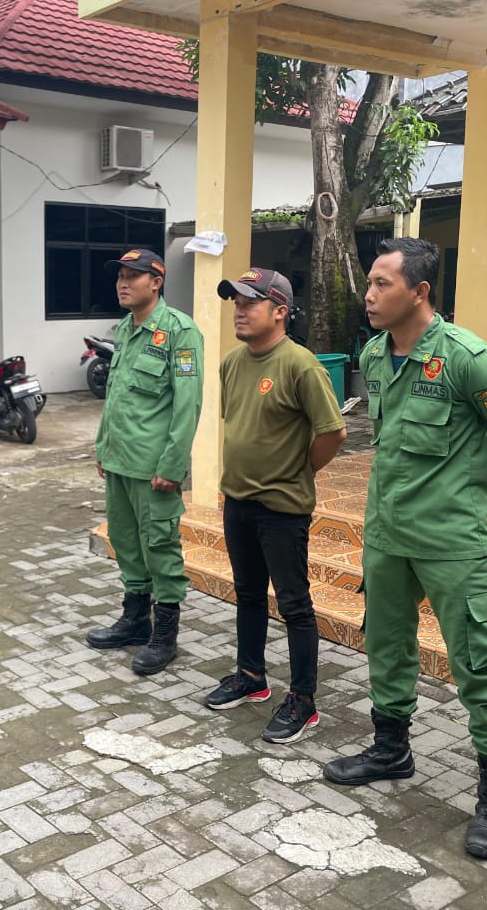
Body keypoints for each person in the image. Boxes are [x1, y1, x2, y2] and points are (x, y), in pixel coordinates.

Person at [323, 237, 487, 862]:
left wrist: (465, 470)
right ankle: (391, 749)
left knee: (477, 660)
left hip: (452, 540)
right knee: (387, 647)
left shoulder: (467, 359)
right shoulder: (373, 353)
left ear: (419, 292)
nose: (369, 294)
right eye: (369, 282)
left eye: (382, 284)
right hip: (388, 535)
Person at [207, 268, 346, 743]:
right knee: (247, 592)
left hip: (282, 507)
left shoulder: (301, 365)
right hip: (238, 500)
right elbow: (241, 424)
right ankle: (251, 677)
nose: (239, 311)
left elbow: (334, 432)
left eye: (249, 302)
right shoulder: (231, 363)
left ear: (280, 311)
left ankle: (304, 703)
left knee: (294, 604)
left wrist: (297, 471)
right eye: (235, 303)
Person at [86, 248, 204, 675]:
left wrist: (173, 466)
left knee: (160, 547)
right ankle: (135, 619)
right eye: (119, 274)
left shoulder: (179, 332)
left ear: (156, 282)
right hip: (120, 462)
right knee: (127, 543)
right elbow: (116, 396)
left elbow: (187, 404)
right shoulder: (125, 329)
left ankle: (165, 635)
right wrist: (103, 447)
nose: (122, 282)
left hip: (154, 469)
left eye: (133, 276)